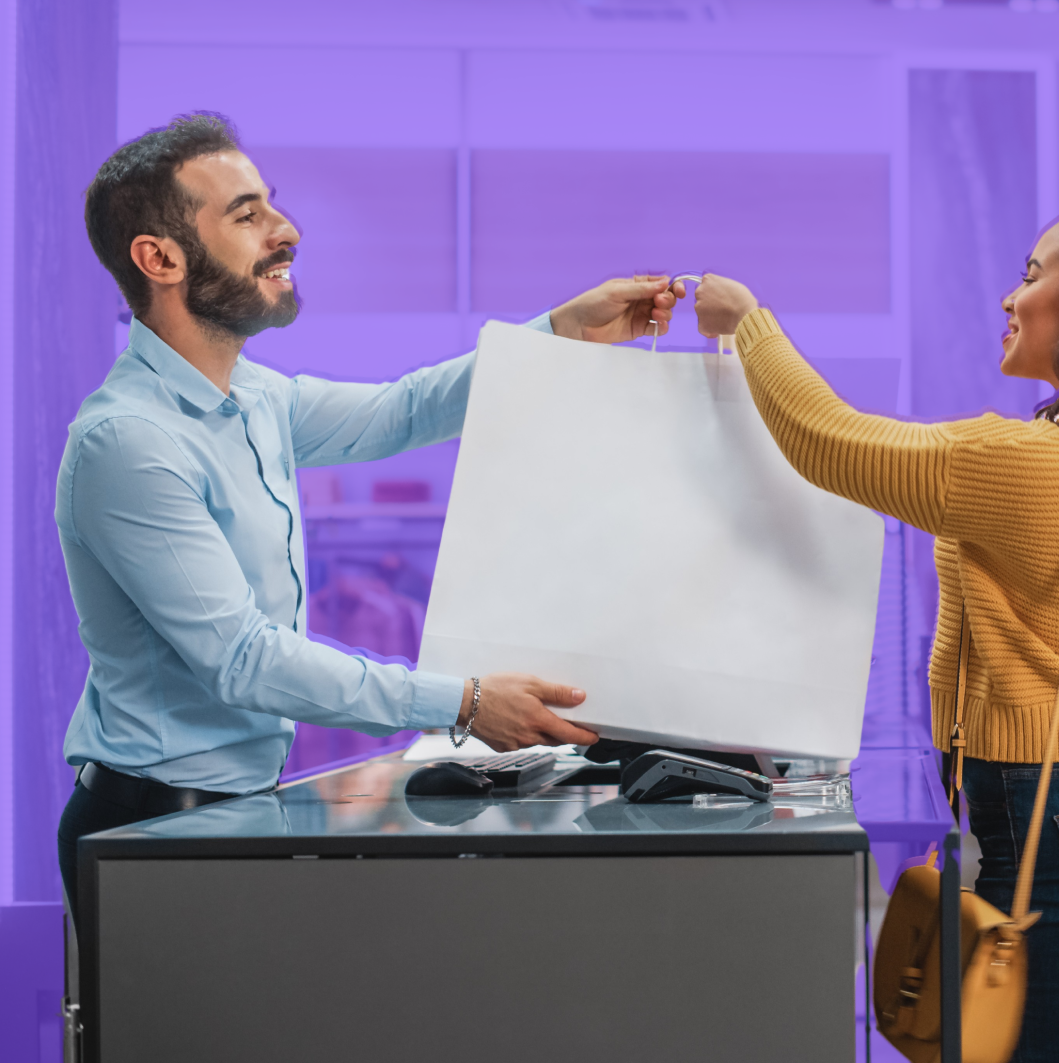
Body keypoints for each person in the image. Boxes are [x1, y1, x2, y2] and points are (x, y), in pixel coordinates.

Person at [56, 113, 677, 919]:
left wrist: (559, 333)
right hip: (148, 829)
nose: (286, 232)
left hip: (227, 810)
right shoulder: (129, 442)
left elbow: (399, 412)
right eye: (246, 215)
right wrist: (461, 703)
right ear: (160, 257)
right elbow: (241, 659)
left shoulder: (251, 397)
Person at [695, 197, 1059, 1063]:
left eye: (1032, 274)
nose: (1011, 298)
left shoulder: (1018, 461)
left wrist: (750, 329)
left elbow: (830, 443)